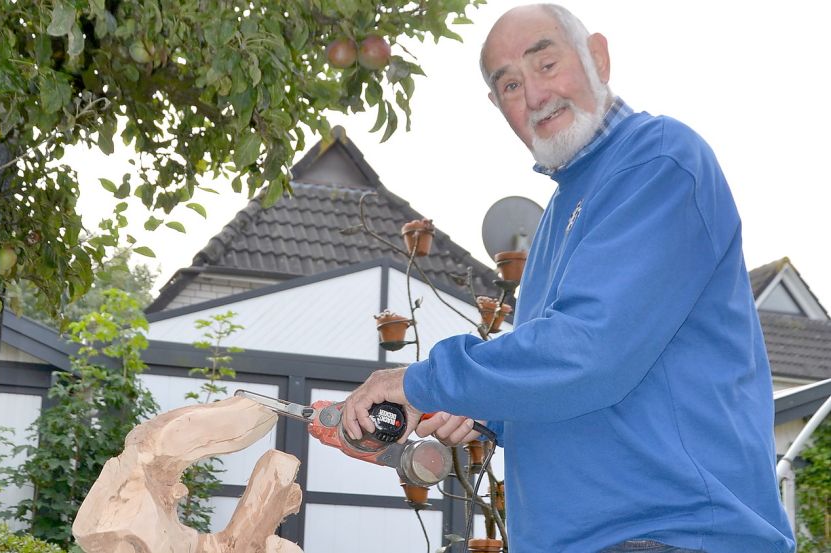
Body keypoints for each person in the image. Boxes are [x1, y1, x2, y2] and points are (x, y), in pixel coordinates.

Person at [340, 4, 795, 552]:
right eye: (509, 84)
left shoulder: (659, 160)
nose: (532, 95)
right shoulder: (558, 215)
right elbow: (571, 382)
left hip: (671, 534)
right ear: (497, 107)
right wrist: (486, 406)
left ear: (597, 57)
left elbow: (589, 351)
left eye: (546, 64)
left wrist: (419, 381)